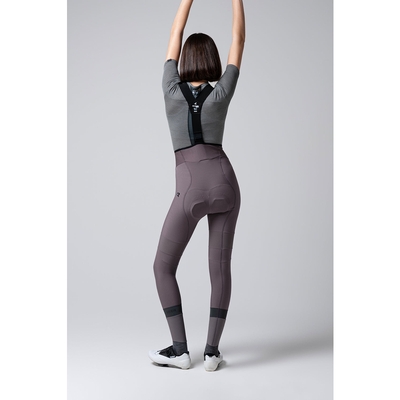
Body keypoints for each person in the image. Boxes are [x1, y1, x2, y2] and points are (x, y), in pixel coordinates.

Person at [148, 0, 245, 372]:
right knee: (220, 269)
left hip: (189, 187)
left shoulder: (170, 89)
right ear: (213, 61)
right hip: (226, 183)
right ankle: (211, 353)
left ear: (183, 60)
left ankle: (179, 350)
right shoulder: (221, 93)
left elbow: (176, 32)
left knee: (163, 267)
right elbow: (238, 39)